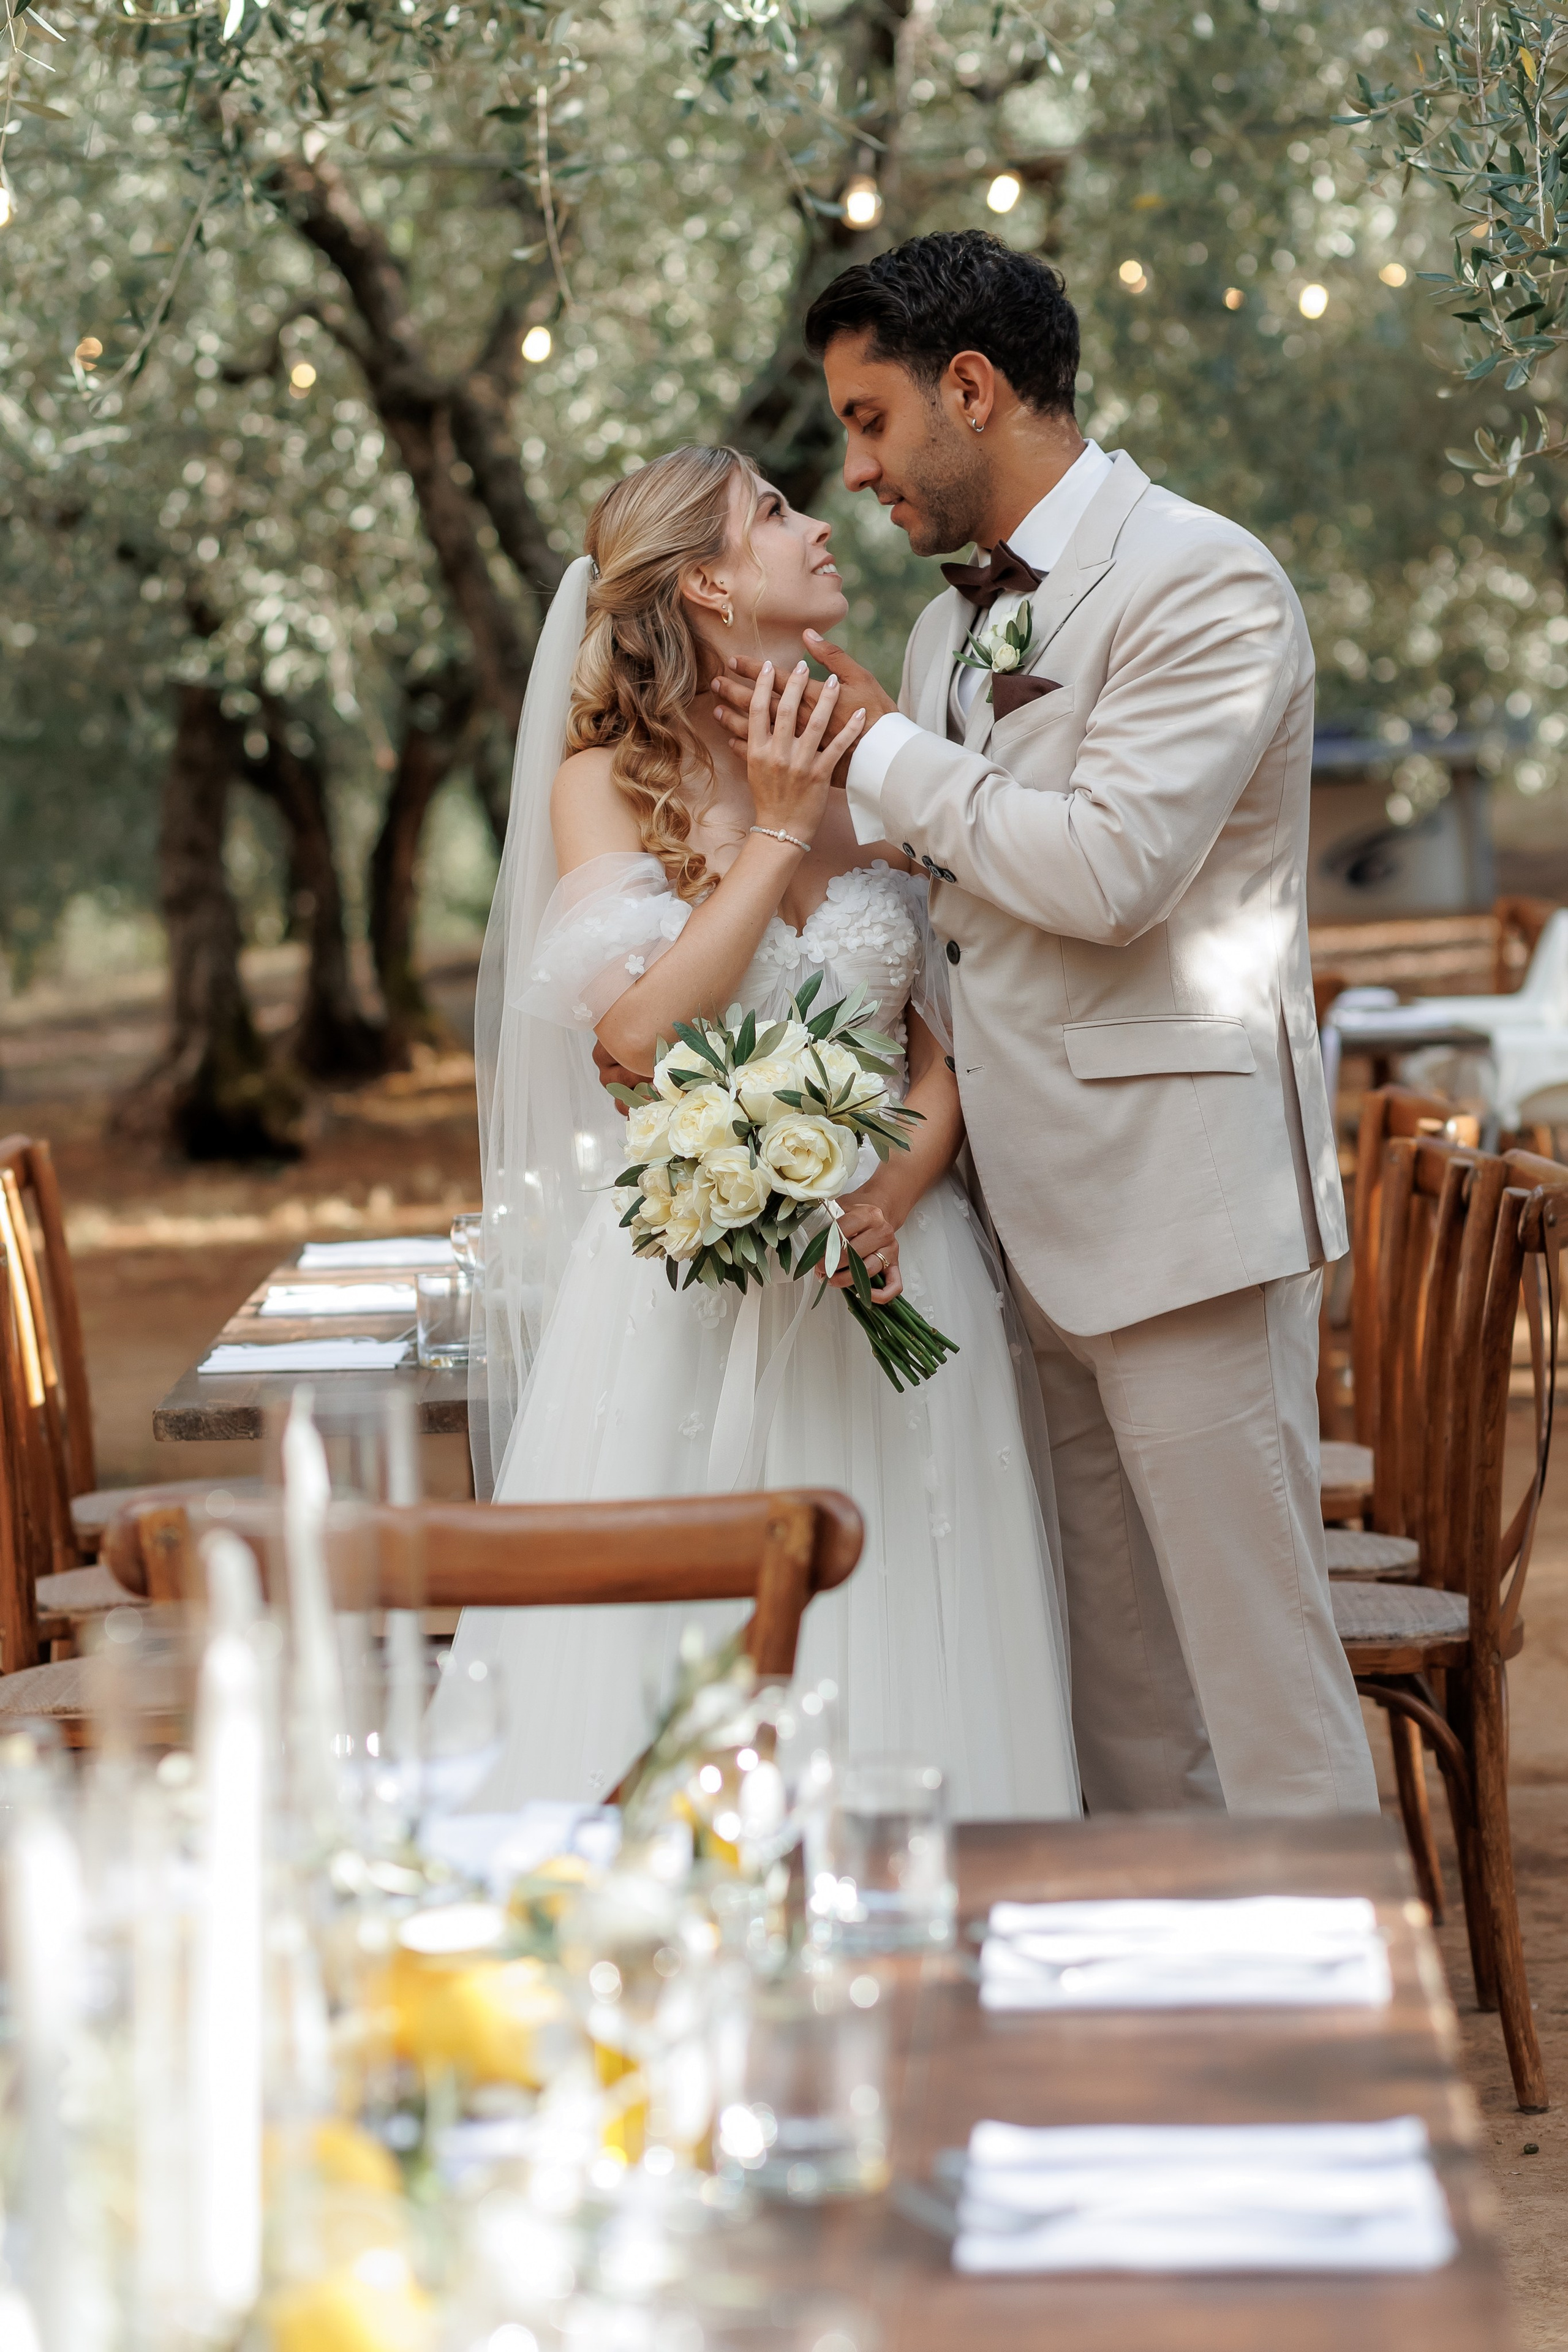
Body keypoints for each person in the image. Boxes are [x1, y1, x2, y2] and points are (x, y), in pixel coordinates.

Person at [710, 230, 1379, 1818]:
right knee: (1124, 1707)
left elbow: (1110, 871)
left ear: (970, 386)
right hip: (1023, 1228)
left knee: (1262, 1691)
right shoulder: (945, 635)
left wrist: (879, 754)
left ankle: (1331, 2060)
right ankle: (1170, 2040)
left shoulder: (1203, 581)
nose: (858, 470)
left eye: (870, 421)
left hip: (1181, 1215)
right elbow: (958, 905)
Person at [442, 443, 1080, 1822]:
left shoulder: (886, 751)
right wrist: (780, 834)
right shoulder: (605, 783)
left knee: (924, 1628)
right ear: (712, 586)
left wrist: (890, 1192)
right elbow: (638, 1038)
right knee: (680, 1658)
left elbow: (945, 1038)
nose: (820, 522)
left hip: (904, 1266)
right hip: (687, 1295)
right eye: (775, 512)